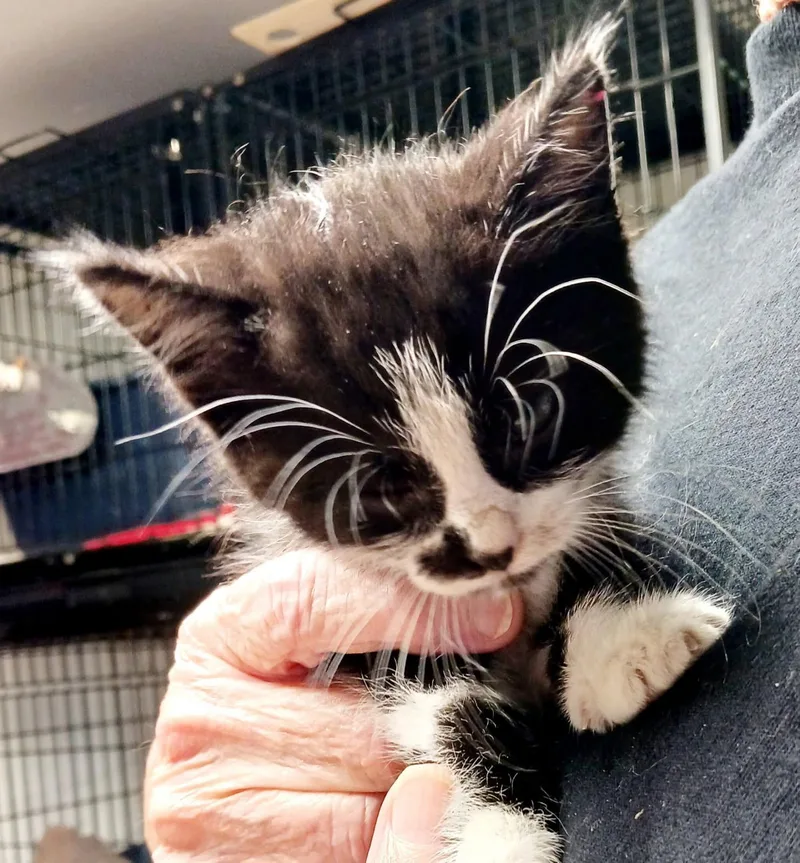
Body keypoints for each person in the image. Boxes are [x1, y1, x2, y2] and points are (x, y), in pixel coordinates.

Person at [142, 2, 800, 861]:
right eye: (389, 488)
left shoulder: (569, 304)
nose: (488, 535)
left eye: (522, 431)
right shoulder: (640, 275)